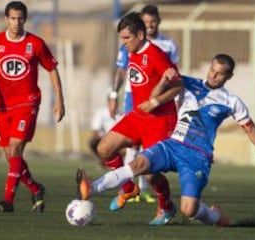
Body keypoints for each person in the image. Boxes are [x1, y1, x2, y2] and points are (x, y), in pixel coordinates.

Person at [77, 53, 255, 226]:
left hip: (197, 156)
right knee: (138, 164)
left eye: (220, 73)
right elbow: (155, 96)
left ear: (229, 76)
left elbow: (249, 127)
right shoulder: (187, 83)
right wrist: (163, 80)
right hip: (172, 145)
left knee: (188, 209)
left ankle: (215, 216)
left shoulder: (231, 101)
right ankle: (91, 189)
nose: (213, 75)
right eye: (212, 70)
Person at [78, 12, 184, 225]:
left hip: (160, 119)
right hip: (138, 116)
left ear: (140, 34)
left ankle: (166, 206)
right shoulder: (131, 51)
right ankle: (127, 187)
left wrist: (155, 102)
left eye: (127, 38)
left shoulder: (157, 55)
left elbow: (179, 85)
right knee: (104, 148)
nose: (124, 43)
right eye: (121, 38)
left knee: (149, 173)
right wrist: (113, 95)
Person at [0, 1, 65, 213]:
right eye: (13, 18)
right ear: (6, 19)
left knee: (15, 149)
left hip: (28, 102)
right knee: (9, 155)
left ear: (25, 19)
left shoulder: (36, 43)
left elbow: (52, 69)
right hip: (4, 106)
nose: (16, 22)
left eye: (20, 18)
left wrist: (60, 100)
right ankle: (35, 188)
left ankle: (8, 201)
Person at [109, 4, 180, 204]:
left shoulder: (166, 46)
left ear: (158, 22)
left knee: (149, 163)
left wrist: (159, 98)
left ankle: (148, 188)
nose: (150, 25)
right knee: (129, 146)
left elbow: (174, 76)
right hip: (134, 98)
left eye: (152, 22)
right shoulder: (129, 45)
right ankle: (130, 187)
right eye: (146, 21)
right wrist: (114, 93)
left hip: (158, 107)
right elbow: (122, 70)